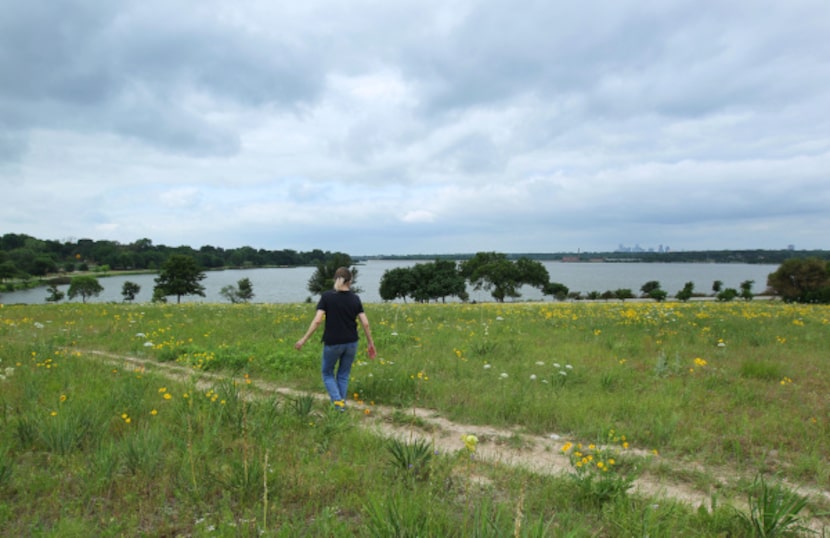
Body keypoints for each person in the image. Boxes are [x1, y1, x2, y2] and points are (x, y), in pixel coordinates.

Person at [294, 267, 376, 409]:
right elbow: (366, 323)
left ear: (335, 280)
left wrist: (304, 339)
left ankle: (338, 403)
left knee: (327, 373)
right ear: (350, 281)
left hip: (333, 343)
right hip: (351, 342)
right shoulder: (355, 298)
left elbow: (318, 320)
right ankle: (340, 406)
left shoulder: (327, 297)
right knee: (343, 375)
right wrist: (370, 343)